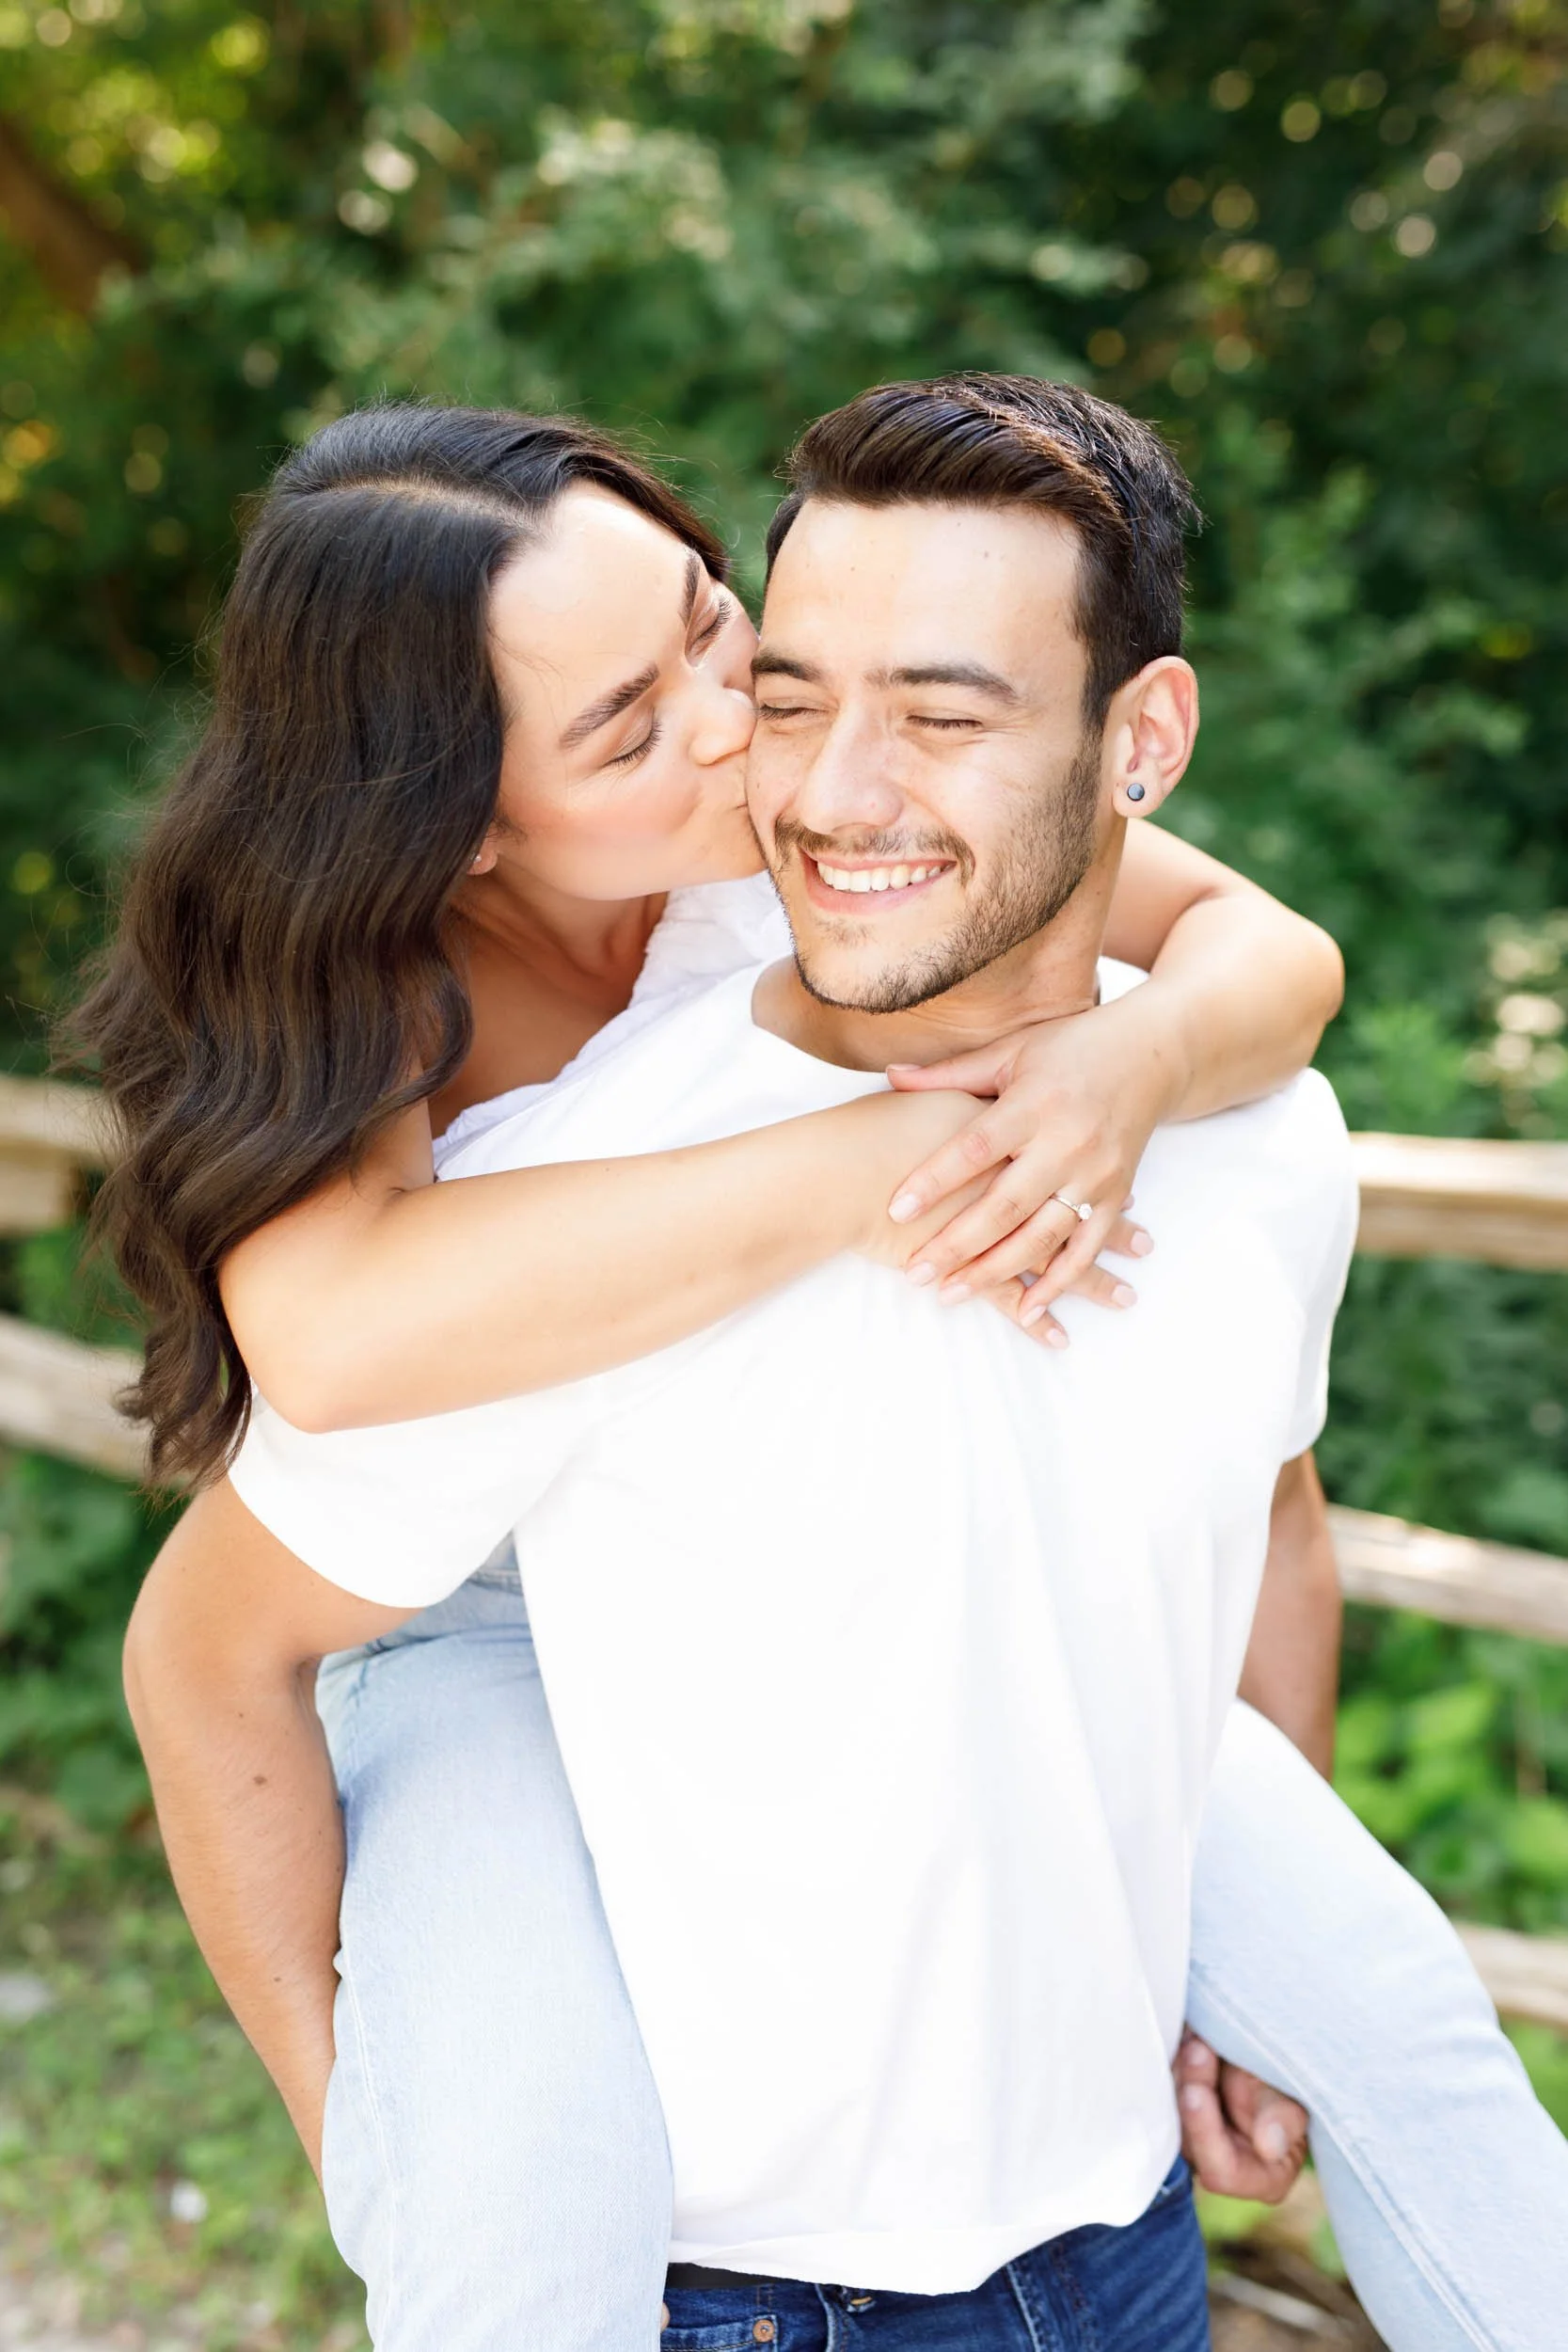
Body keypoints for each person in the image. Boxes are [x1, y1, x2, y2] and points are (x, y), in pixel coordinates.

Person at [100, 395, 1566, 2350]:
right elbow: (340, 1347)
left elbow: (1257, 948)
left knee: (1401, 2030)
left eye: (716, 625)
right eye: (631, 721)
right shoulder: (400, 982)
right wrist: (902, 1147)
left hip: (887, 1578)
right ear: (458, 818)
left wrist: (1122, 1071)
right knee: (516, 2218)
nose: (741, 726)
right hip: (467, 1606)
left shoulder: (825, 808)